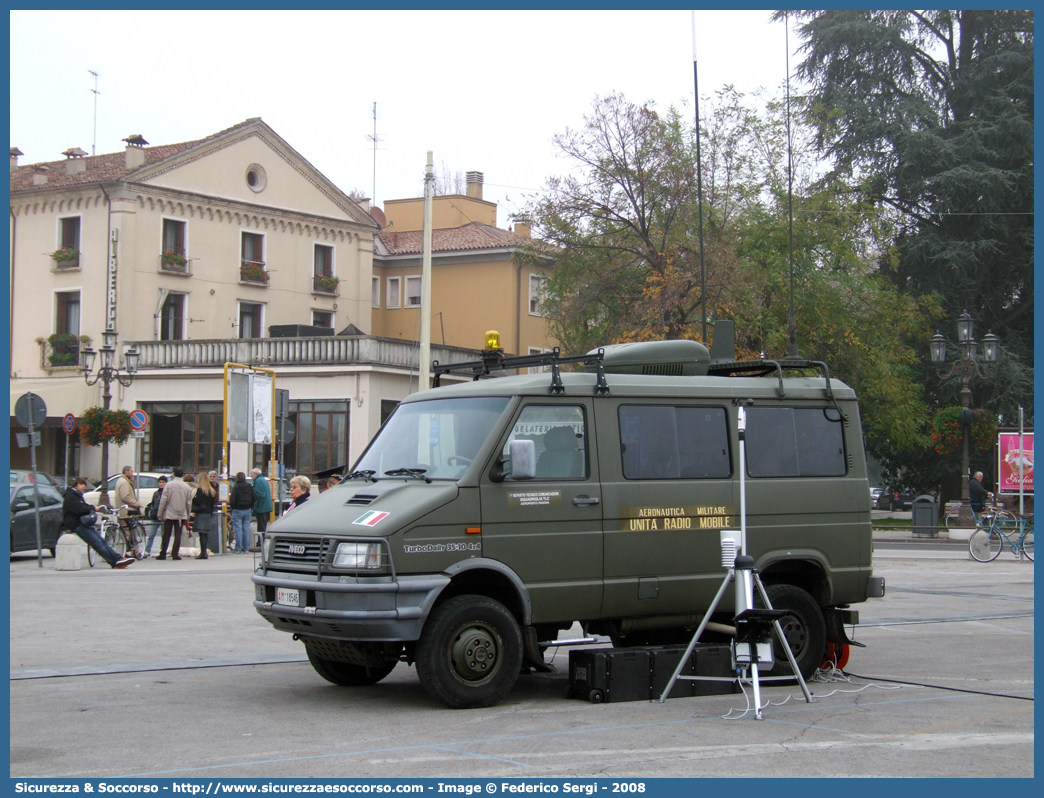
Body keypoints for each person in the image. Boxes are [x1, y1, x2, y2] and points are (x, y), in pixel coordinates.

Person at [62, 477, 134, 569]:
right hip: (76, 524)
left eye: (84, 484)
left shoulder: (77, 495)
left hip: (83, 522)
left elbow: (82, 506)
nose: (83, 486)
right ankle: (114, 561)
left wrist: (90, 507)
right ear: (75, 485)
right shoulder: (71, 496)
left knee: (102, 541)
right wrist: (92, 508)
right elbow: (78, 509)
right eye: (81, 484)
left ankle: (118, 559)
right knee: (97, 543)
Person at [156, 467, 195, 560]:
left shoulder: (169, 485)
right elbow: (189, 503)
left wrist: (160, 513)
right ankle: (175, 553)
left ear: (173, 474)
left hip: (169, 512)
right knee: (178, 534)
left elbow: (163, 501)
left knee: (166, 533)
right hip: (181, 514)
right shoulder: (187, 487)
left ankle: (163, 553)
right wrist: (188, 514)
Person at [114, 465, 145, 559]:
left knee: (126, 531)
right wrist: (136, 503)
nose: (132, 473)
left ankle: (129, 551)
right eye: (131, 472)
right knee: (128, 531)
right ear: (126, 472)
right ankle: (134, 551)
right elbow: (125, 497)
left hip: (123, 510)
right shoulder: (124, 482)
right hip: (126, 511)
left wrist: (132, 482)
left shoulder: (123, 481)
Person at [190, 472, 217, 559]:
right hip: (208, 513)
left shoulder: (201, 489)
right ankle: (204, 551)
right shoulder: (211, 490)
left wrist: (194, 500)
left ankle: (203, 552)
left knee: (201, 533)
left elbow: (197, 501)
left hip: (201, 513)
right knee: (205, 533)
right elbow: (213, 504)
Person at [229, 471, 256, 553]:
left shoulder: (236, 487)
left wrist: (233, 507)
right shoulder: (249, 486)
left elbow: (232, 500)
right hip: (247, 509)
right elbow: (255, 497)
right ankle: (246, 548)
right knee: (246, 529)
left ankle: (238, 548)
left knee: (238, 529)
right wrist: (251, 505)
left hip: (237, 510)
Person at [143, 475, 167, 557]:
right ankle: (147, 550)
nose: (161, 484)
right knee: (151, 534)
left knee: (164, 535)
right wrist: (152, 512)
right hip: (155, 516)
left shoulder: (167, 492)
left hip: (164, 516)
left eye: (163, 482)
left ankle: (162, 550)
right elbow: (153, 503)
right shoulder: (156, 493)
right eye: (160, 482)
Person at [251, 468, 273, 550]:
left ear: (255, 474)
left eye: (251, 473)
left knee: (261, 527)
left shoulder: (258, 481)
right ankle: (261, 543)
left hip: (262, 507)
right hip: (266, 506)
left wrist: (257, 506)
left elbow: (260, 495)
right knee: (263, 526)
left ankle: (261, 544)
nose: (251, 475)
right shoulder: (263, 480)